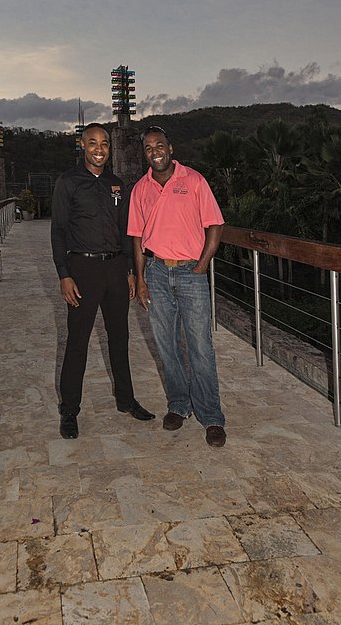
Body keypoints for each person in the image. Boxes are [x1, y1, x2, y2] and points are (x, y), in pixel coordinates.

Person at [51, 123, 155, 439]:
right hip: (82, 269)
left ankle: (126, 400)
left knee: (119, 337)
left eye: (105, 144)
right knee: (77, 342)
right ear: (82, 146)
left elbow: (126, 231)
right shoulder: (68, 182)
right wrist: (64, 275)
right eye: (93, 143)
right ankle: (69, 411)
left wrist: (130, 273)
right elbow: (57, 230)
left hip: (114, 269)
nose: (99, 149)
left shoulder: (116, 185)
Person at [127, 125, 226, 447]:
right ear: (145, 153)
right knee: (167, 345)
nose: (154, 151)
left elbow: (215, 224)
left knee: (200, 346)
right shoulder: (140, 189)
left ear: (170, 149)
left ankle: (211, 416)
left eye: (159, 145)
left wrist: (203, 264)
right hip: (155, 272)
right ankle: (179, 406)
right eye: (148, 147)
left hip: (190, 274)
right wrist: (140, 279)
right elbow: (138, 238)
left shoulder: (194, 180)